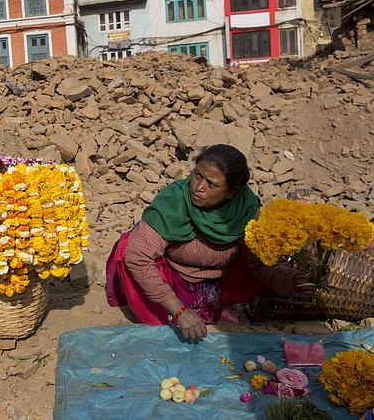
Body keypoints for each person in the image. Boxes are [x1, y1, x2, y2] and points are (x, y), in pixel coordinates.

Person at [106, 144, 304, 342]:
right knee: (128, 247)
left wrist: (294, 282)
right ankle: (166, 313)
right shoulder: (175, 201)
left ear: (231, 192)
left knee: (256, 252)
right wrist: (179, 310)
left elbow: (262, 263)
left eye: (212, 184)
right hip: (172, 278)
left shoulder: (244, 209)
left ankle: (217, 305)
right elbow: (137, 256)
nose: (198, 187)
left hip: (219, 279)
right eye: (197, 175)